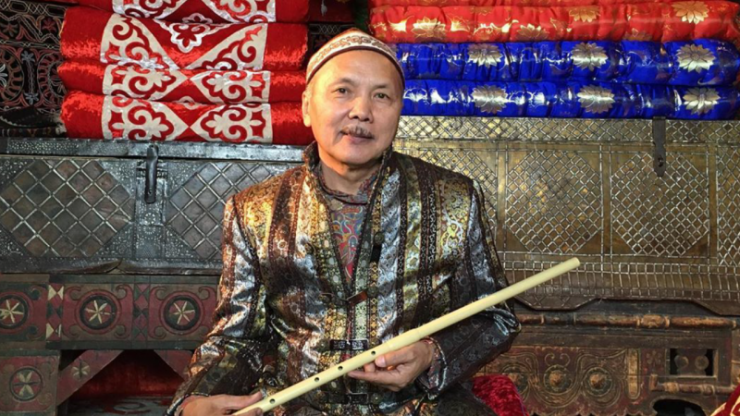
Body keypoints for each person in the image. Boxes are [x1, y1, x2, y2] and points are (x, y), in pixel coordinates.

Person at [166, 29, 520, 416]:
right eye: (343, 91)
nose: (361, 111)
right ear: (306, 106)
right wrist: (195, 400)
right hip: (297, 407)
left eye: (381, 96)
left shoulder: (454, 198)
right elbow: (236, 338)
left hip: (419, 406)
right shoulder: (254, 209)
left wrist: (430, 354)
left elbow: (495, 317)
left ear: (399, 110)